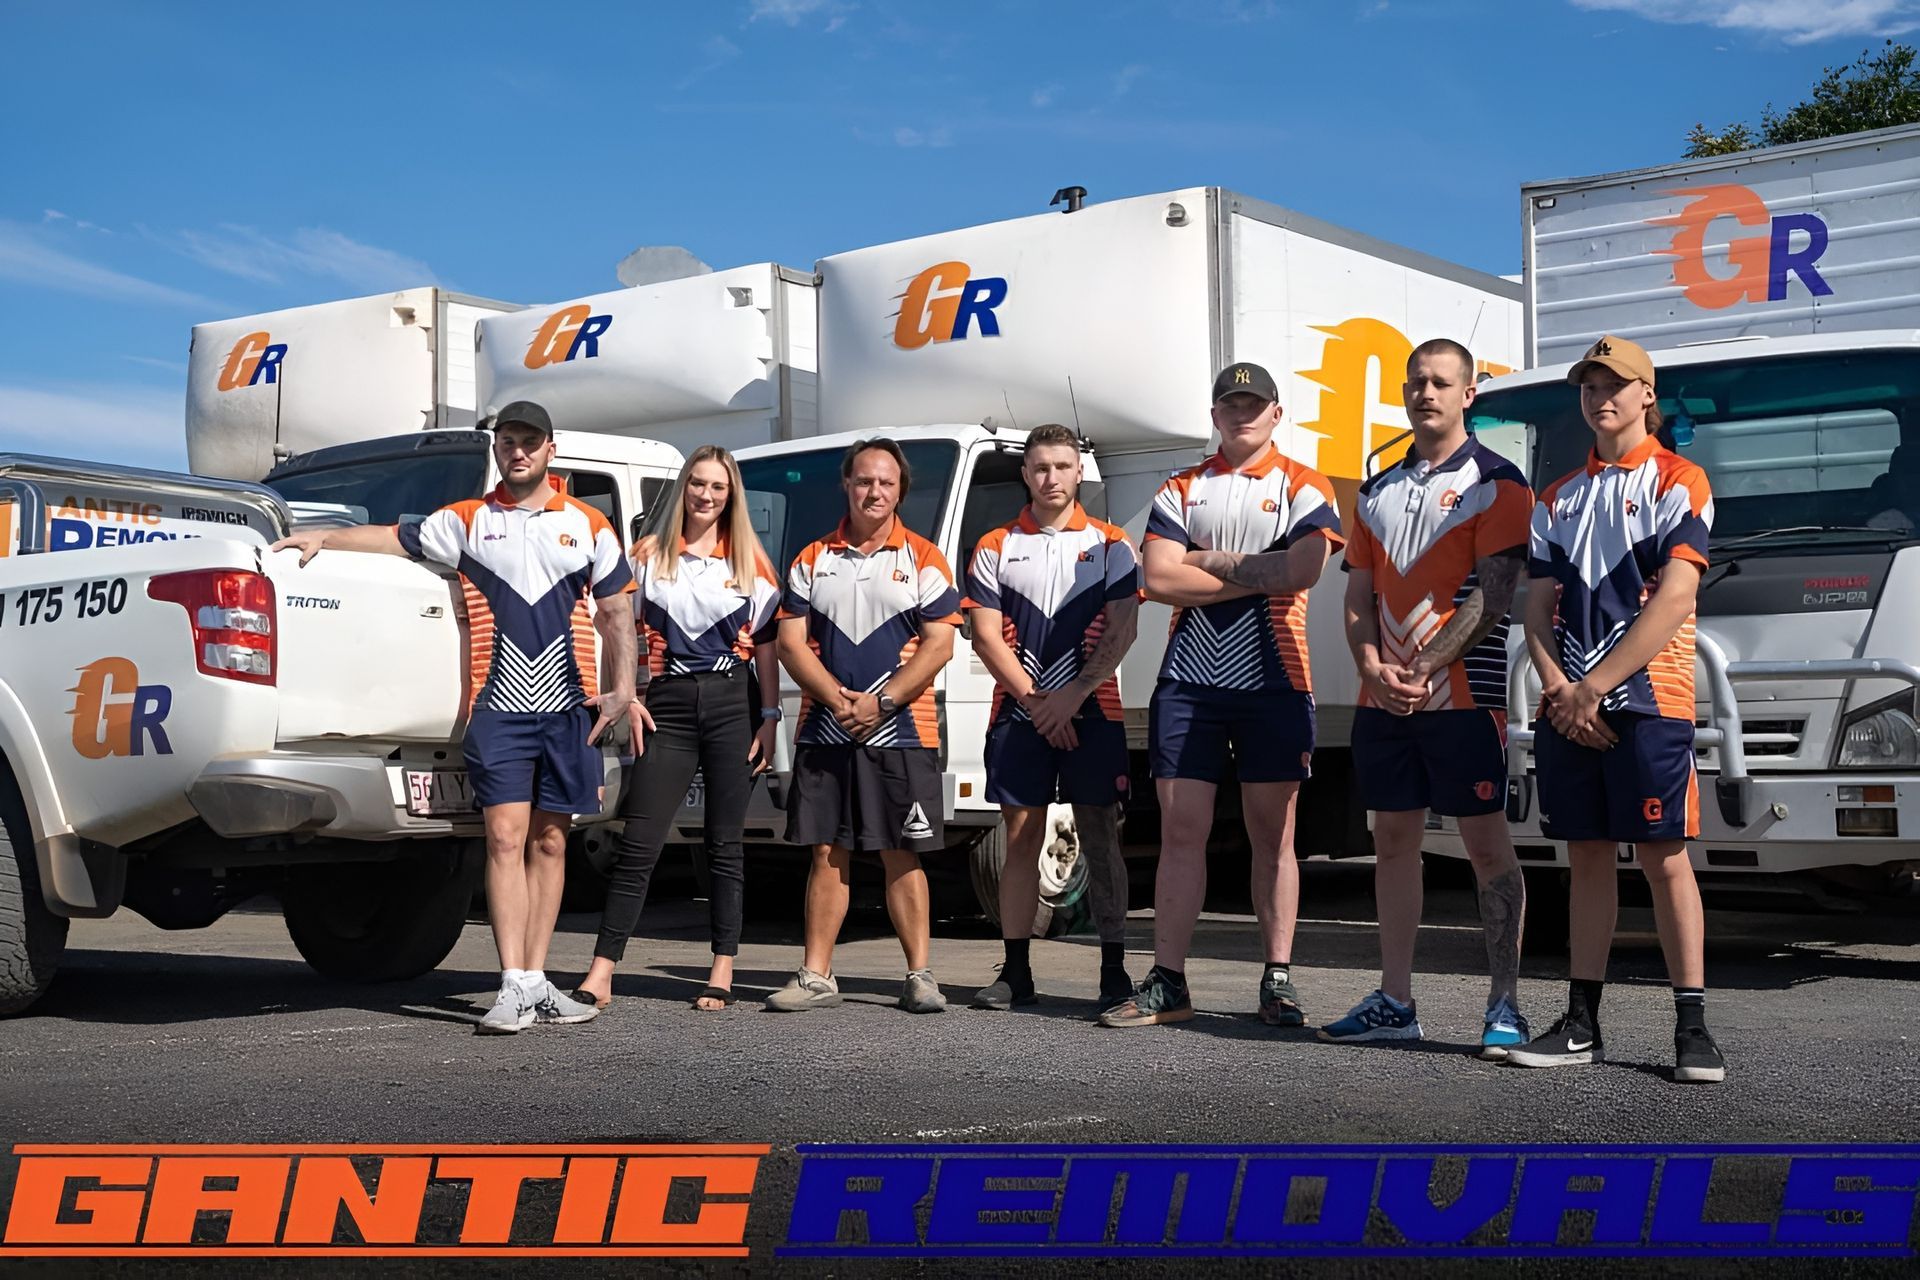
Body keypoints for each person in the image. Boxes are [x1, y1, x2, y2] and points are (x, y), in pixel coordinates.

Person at [272, 401, 636, 1035]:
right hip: (499, 707)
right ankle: (513, 982)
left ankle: (538, 979)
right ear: (497, 450)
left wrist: (623, 690)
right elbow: (393, 537)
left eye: (529, 441)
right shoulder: (466, 520)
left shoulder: (589, 523)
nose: (517, 451)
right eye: (507, 441)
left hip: (569, 710)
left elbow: (617, 614)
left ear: (550, 450)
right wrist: (325, 537)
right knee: (503, 840)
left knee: (552, 842)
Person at [1504, 335, 1727, 1084]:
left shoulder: (1679, 479)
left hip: (1649, 700)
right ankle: (1581, 1025)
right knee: (1588, 857)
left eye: (1616, 384)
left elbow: (1676, 597)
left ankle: (1691, 1027)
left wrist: (1592, 687)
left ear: (1646, 396)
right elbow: (1537, 606)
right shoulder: (1556, 497)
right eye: (1590, 385)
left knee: (1664, 858)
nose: (1601, 397)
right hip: (1569, 705)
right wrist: (1559, 691)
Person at [1100, 362, 1343, 1029]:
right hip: (1191, 681)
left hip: (1275, 679)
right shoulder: (1182, 486)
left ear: (1276, 413)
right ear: (1214, 416)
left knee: (1274, 835)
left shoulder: (1304, 483)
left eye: (1254, 404)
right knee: (1181, 831)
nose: (1242, 414)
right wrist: (1261, 572)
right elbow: (1158, 577)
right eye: (1230, 404)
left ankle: (1278, 979)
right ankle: (1168, 980)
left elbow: (1304, 570)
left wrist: (1205, 560)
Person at [1321, 338, 1532, 1056]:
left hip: (1466, 700)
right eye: (1416, 382)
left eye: (1442, 382)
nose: (1426, 393)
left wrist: (1423, 668)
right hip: (1385, 701)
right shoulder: (1376, 490)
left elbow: (1493, 599)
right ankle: (1396, 1000)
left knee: (1486, 847)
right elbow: (1357, 595)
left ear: (1469, 394)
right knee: (1391, 843)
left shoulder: (1498, 482)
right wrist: (1371, 666)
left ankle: (1504, 1006)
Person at [571, 446, 781, 1013]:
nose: (705, 495)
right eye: (697, 484)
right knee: (640, 840)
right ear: (683, 488)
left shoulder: (751, 562)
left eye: (717, 487)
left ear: (731, 495)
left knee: (724, 843)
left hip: (733, 703)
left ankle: (722, 968)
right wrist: (627, 694)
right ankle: (601, 971)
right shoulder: (645, 555)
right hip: (667, 704)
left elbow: (766, 648)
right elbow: (616, 627)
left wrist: (769, 718)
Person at [765, 438, 962, 1014]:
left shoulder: (925, 557)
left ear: (900, 490)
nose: (874, 492)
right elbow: (790, 644)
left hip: (903, 732)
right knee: (827, 852)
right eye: (864, 481)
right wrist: (837, 701)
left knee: (901, 850)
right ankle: (816, 976)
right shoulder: (810, 558)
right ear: (846, 485)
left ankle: (920, 976)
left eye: (886, 482)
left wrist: (884, 703)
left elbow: (940, 645)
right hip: (824, 730)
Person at [962, 424, 1140, 1012]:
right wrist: (1041, 704)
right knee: (1020, 839)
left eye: (1062, 466)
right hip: (1020, 714)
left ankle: (1114, 971)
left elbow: (1123, 629)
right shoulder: (994, 544)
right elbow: (986, 637)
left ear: (1079, 472)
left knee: (1100, 836)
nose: (1051, 478)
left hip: (1095, 711)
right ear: (1025, 474)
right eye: (1040, 467)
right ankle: (1016, 972)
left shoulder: (1112, 543)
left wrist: (1073, 696)